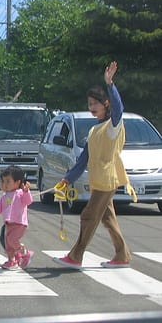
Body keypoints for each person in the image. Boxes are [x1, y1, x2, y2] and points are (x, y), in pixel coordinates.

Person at [53, 61, 134, 270]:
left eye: (94, 104)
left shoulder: (113, 127)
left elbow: (119, 109)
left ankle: (76, 255)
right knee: (108, 219)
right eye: (89, 105)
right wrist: (67, 179)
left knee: (88, 216)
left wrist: (110, 83)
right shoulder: (94, 130)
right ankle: (122, 255)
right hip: (99, 181)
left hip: (107, 180)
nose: (91, 108)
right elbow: (83, 160)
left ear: (106, 103)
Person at [0, 165, 33, 270]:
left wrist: (27, 192)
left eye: (8, 181)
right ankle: (11, 261)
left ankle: (25, 253)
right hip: (9, 224)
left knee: (12, 240)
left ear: (18, 182)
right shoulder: (4, 197)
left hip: (19, 223)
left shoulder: (21, 193)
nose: (5, 184)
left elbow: (28, 201)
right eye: (3, 181)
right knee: (8, 243)